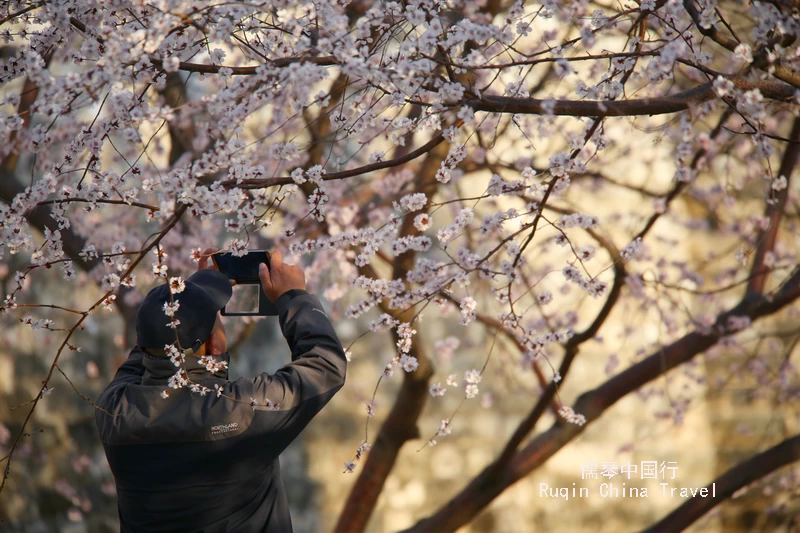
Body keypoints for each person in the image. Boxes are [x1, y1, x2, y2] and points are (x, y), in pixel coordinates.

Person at [95, 248, 347, 533]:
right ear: (213, 345)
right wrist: (295, 297)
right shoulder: (238, 411)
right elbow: (325, 365)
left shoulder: (113, 412)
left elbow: (149, 351)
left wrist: (184, 299)